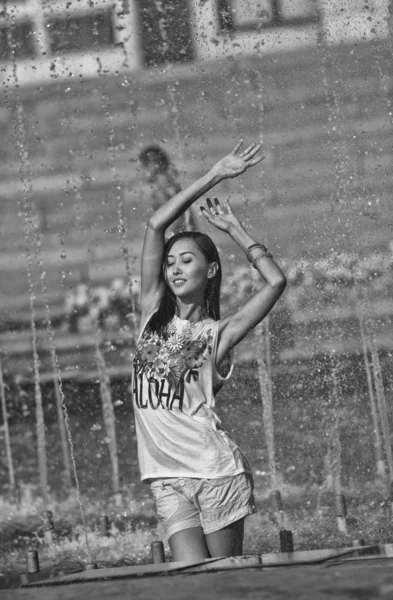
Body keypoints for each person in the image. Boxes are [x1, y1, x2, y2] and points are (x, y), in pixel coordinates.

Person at [132, 141, 287, 562]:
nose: (175, 268)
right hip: (166, 477)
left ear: (210, 269)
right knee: (190, 580)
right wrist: (215, 174)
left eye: (186, 261)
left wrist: (234, 230)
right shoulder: (150, 313)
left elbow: (275, 283)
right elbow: (153, 226)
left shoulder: (218, 334)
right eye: (170, 263)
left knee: (223, 580)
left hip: (216, 474)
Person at [139, 144, 197, 236]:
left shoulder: (161, 187)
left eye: (143, 167)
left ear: (153, 165)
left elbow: (177, 216)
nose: (141, 172)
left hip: (176, 237)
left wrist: (164, 239)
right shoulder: (170, 182)